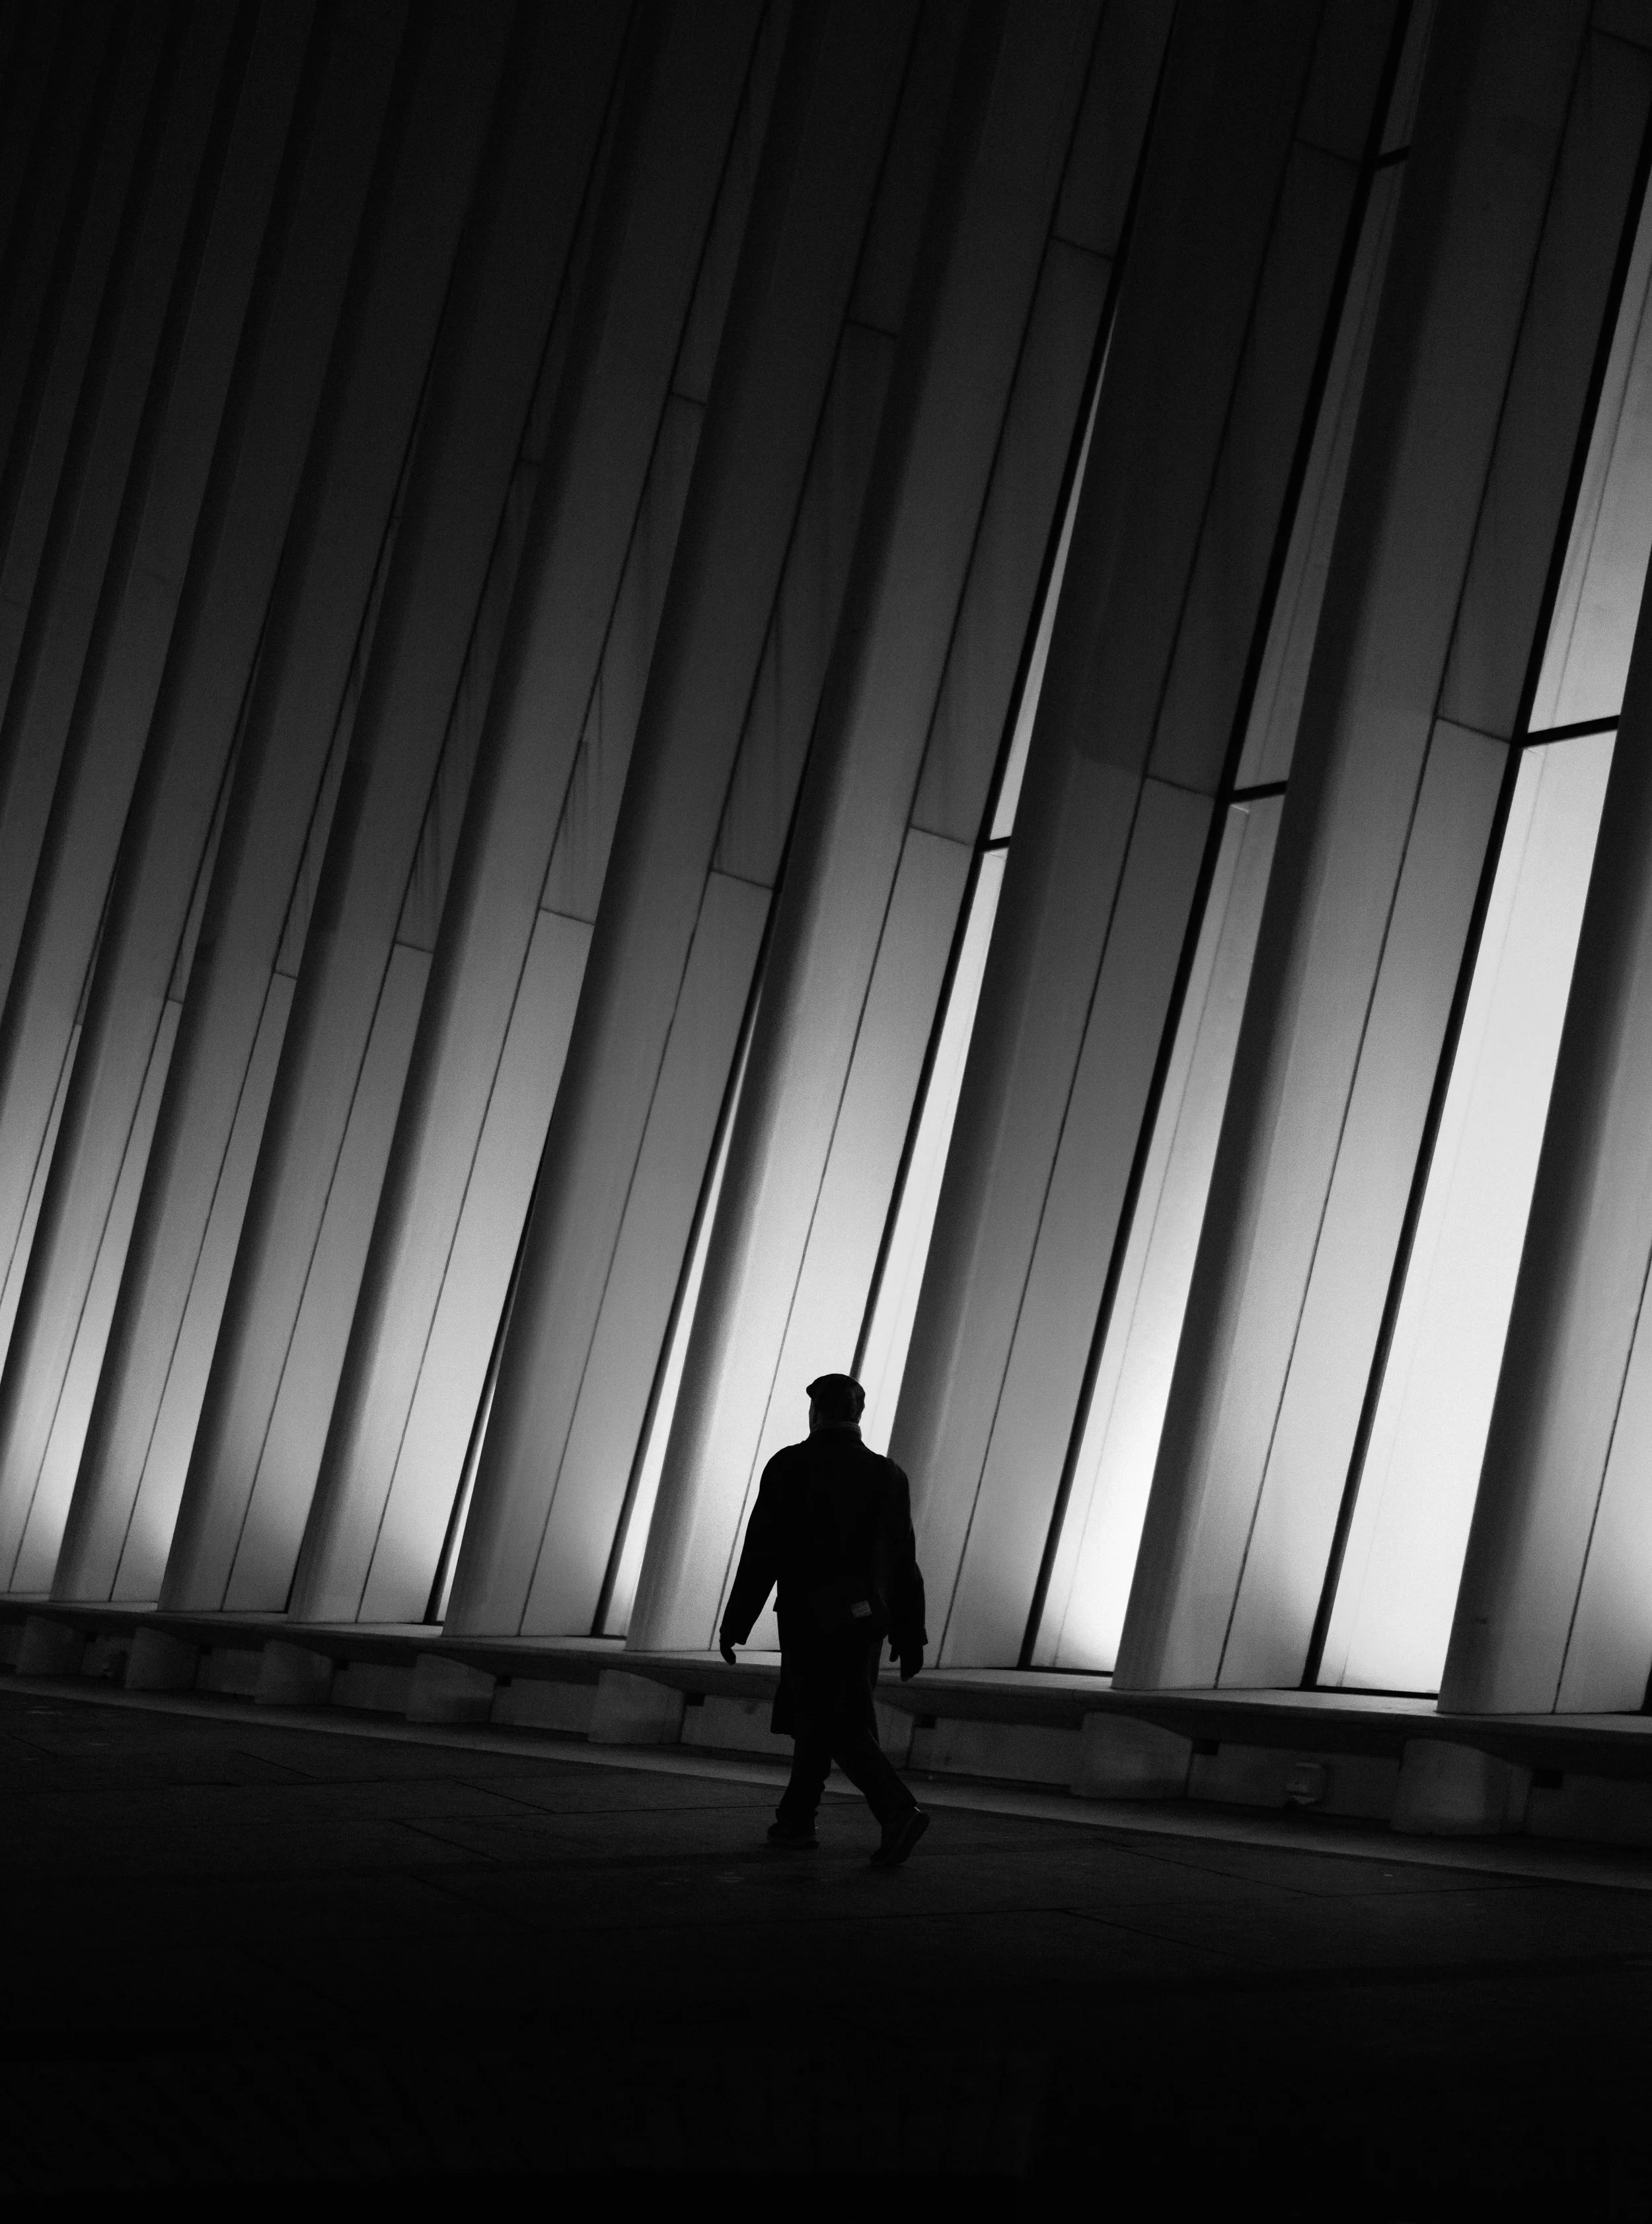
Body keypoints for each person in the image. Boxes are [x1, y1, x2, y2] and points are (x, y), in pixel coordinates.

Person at [719, 1371, 930, 1867]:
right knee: (827, 1714)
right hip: (865, 1621)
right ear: (858, 1413)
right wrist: (909, 1630)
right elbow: (903, 1559)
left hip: (808, 1616)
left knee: (827, 1716)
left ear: (814, 1412)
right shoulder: (886, 1473)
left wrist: (736, 1622)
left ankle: (896, 1809)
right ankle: (795, 1819)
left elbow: (761, 1551)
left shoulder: (791, 1465)